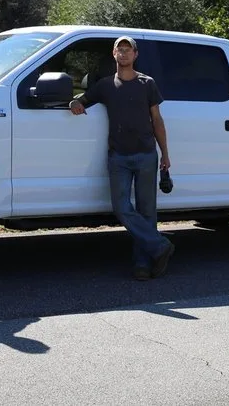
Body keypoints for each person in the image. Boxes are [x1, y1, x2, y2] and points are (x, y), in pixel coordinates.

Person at [69, 35, 174, 281]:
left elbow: (157, 120)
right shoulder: (105, 85)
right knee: (122, 208)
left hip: (146, 154)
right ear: (113, 54)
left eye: (128, 50)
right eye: (120, 49)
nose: (124, 53)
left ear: (135, 55)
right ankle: (160, 246)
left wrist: (165, 154)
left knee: (147, 211)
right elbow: (83, 100)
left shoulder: (147, 84)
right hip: (119, 157)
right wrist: (74, 102)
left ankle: (143, 264)